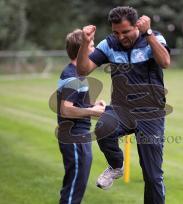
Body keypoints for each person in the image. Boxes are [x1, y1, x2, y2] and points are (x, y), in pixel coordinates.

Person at [76, 6, 170, 204]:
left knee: (153, 177)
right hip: (121, 109)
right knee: (103, 128)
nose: (120, 37)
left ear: (137, 25)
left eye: (125, 32)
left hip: (150, 113)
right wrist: (85, 43)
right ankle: (116, 166)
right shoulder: (108, 44)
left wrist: (149, 33)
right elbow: (83, 70)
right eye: (116, 32)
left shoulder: (153, 38)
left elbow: (165, 62)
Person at [57, 29, 106, 204]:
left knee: (77, 185)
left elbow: (77, 106)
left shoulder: (79, 74)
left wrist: (93, 107)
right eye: (92, 46)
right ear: (82, 50)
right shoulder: (72, 77)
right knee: (74, 188)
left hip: (79, 136)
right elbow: (66, 110)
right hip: (74, 138)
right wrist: (93, 111)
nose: (95, 50)